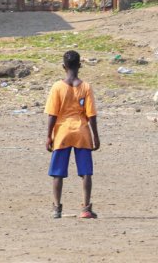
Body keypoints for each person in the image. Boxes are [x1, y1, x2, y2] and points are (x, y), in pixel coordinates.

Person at [45, 50, 100, 220]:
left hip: (62, 133)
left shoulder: (57, 87)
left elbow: (52, 114)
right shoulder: (86, 87)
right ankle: (86, 207)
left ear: (64, 66)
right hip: (82, 133)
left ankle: (56, 208)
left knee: (57, 173)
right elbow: (91, 115)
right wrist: (96, 136)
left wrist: (48, 135)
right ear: (80, 66)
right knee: (86, 173)